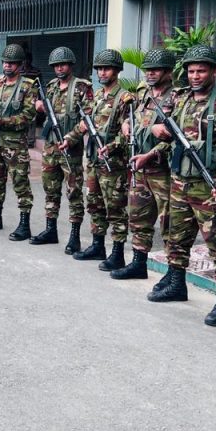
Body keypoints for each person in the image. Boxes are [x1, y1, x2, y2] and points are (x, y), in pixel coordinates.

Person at [148, 45, 216, 327]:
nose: (196, 75)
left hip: (208, 185)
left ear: (214, 71)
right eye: (191, 71)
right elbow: (163, 129)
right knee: (176, 238)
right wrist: (156, 131)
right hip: (179, 181)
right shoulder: (180, 99)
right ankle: (177, 284)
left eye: (201, 70)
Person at [112, 48, 179, 280]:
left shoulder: (177, 97)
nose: (150, 74)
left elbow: (176, 138)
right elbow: (132, 119)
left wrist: (150, 154)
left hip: (163, 170)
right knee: (139, 218)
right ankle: (138, 264)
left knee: (169, 224)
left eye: (155, 70)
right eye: (147, 70)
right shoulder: (142, 93)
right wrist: (125, 126)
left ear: (169, 72)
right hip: (140, 166)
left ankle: (172, 274)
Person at [70, 49, 136, 268]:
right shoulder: (97, 96)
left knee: (115, 209)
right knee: (95, 205)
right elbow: (85, 124)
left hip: (113, 164)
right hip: (94, 161)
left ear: (116, 70)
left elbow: (129, 133)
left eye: (106, 68)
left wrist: (112, 146)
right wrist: (70, 139)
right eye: (99, 68)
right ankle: (98, 246)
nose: (102, 72)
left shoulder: (125, 98)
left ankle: (117, 253)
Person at [31, 46, 91, 254]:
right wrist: (38, 105)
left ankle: (74, 236)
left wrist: (71, 137)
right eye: (56, 65)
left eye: (62, 64)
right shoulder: (51, 86)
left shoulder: (82, 87)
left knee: (74, 192)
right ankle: (50, 230)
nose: (59, 68)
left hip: (70, 149)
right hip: (51, 147)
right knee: (50, 190)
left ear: (71, 65)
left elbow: (88, 119)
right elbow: (43, 111)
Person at [0, 44, 36, 239]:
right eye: (5, 62)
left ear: (19, 65)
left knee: (20, 183)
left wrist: (5, 121)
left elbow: (29, 115)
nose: (7, 66)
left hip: (16, 144)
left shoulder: (28, 85)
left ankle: (24, 224)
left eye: (11, 63)